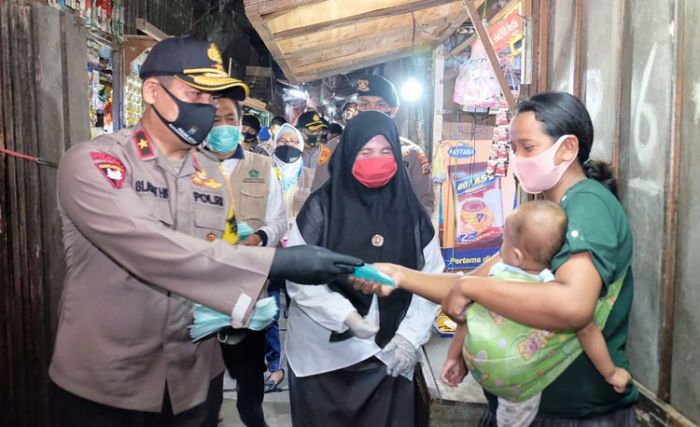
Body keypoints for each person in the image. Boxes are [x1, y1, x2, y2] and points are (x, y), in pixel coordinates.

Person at [49, 36, 362, 427]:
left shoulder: (211, 175)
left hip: (194, 380)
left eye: (213, 100)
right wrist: (276, 262)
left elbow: (220, 255)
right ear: (151, 90)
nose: (207, 110)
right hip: (109, 384)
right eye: (195, 94)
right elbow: (149, 247)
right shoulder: (96, 162)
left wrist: (250, 309)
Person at [356, 92, 639, 426]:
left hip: (574, 413)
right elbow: (475, 282)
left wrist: (470, 288)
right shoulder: (544, 213)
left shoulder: (587, 205)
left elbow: (573, 306)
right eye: (514, 148)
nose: (518, 159)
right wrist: (398, 275)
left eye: (528, 147)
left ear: (567, 148)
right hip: (527, 406)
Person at [285, 111, 445, 427]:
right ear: (348, 154)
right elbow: (299, 276)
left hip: (388, 358)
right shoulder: (319, 209)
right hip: (321, 361)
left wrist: (410, 338)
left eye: (386, 151)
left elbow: (431, 279)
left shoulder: (413, 215)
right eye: (366, 151)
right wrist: (345, 316)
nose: (378, 159)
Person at [441, 200, 631, 427]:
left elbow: (467, 318)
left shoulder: (493, 276)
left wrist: (454, 357)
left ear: (517, 256)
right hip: (517, 380)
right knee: (517, 413)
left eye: (504, 242)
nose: (501, 247)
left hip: (478, 365)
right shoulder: (550, 292)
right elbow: (587, 330)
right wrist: (611, 373)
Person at [204, 89, 288, 427]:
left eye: (230, 119)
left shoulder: (263, 167)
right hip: (200, 290)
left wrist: (259, 237)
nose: (223, 126)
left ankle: (254, 419)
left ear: (241, 125)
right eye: (215, 120)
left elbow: (280, 219)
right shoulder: (189, 164)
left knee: (249, 377)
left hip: (249, 291)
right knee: (204, 376)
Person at [311, 75, 434, 216]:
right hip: (346, 234)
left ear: (393, 110)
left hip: (395, 235)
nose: (371, 110)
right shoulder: (334, 148)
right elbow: (317, 200)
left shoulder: (411, 153)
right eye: (364, 104)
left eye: (380, 105)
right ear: (356, 108)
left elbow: (425, 203)